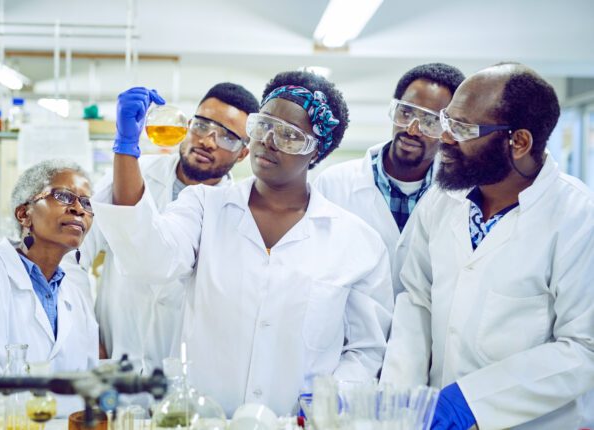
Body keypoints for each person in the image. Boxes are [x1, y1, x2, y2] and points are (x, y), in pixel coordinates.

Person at [90, 71, 394, 416]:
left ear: (316, 152)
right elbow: (149, 260)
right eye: (264, 126)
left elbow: (365, 350)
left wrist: (327, 405)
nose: (269, 141)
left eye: (289, 136)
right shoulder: (204, 206)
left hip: (294, 423)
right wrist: (126, 148)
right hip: (201, 420)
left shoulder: (356, 242)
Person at [380, 63, 594, 429]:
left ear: (519, 141)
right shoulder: (444, 198)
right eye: (448, 122)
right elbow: (417, 300)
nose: (445, 137)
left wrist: (470, 401)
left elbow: (583, 348)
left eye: (462, 128)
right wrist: (399, 404)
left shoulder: (578, 218)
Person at [63, 83, 259, 366]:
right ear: (188, 125)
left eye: (228, 137)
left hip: (184, 370)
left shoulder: (240, 213)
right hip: (109, 354)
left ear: (243, 153)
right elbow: (72, 255)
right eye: (203, 125)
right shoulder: (131, 173)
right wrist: (86, 332)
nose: (208, 141)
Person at [313, 63, 464, 295]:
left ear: (449, 129)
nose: (413, 129)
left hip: (423, 329)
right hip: (349, 327)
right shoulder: (334, 184)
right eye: (406, 113)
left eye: (430, 121)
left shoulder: (461, 196)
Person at [0, 159, 98, 374]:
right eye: (64, 196)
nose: (79, 209)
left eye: (86, 203)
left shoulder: (76, 296)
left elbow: (90, 381)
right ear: (24, 214)